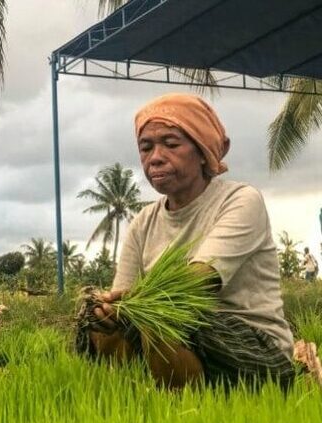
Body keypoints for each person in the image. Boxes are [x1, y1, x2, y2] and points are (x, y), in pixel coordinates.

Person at [80, 93, 294, 389]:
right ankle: (131, 400)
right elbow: (122, 297)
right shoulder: (143, 221)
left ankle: (187, 414)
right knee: (100, 321)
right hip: (182, 338)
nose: (155, 157)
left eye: (171, 144)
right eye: (146, 147)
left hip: (253, 345)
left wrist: (134, 303)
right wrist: (108, 310)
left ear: (203, 151)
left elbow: (200, 279)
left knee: (160, 318)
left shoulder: (240, 200)